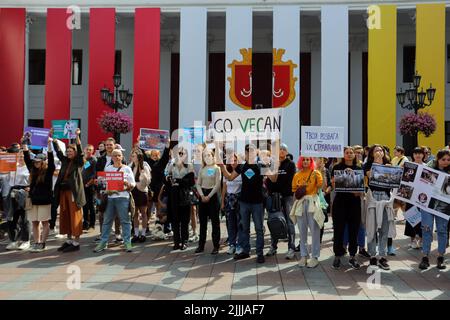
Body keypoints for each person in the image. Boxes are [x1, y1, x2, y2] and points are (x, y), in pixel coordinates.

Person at [219, 144, 266, 264]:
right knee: (244, 228)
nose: (249, 154)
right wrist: (222, 167)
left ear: (256, 153)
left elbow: (273, 178)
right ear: (245, 154)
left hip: (257, 203)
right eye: (247, 152)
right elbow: (229, 178)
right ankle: (245, 251)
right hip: (244, 202)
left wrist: (273, 163)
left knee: (259, 229)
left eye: (251, 152)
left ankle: (260, 253)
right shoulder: (242, 166)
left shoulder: (261, 165)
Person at [94, 149, 136, 253]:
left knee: (125, 221)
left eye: (119, 155)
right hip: (110, 198)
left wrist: (127, 184)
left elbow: (133, 184)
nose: (117, 157)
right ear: (111, 158)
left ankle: (127, 242)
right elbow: (104, 183)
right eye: (115, 156)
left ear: (122, 157)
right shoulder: (108, 168)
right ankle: (103, 242)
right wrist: (102, 185)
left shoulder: (127, 169)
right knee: (107, 221)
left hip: (123, 197)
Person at [53, 128, 86, 253]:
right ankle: (69, 240)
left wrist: (77, 136)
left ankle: (76, 243)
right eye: (67, 151)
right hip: (63, 191)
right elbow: (58, 152)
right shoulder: (65, 161)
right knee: (65, 215)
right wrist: (54, 139)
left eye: (71, 151)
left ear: (75, 152)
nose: (68, 153)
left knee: (75, 216)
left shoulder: (79, 162)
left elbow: (81, 151)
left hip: (74, 193)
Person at [364, 144, 396, 270]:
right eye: (376, 150)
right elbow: (371, 176)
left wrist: (390, 169)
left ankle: (382, 256)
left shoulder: (389, 163)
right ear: (372, 153)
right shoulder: (368, 164)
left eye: (381, 150)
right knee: (372, 227)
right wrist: (377, 163)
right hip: (373, 196)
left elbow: (394, 179)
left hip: (385, 197)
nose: (379, 152)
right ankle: (372, 255)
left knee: (384, 228)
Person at [331, 147, 362, 269]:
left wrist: (352, 175)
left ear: (354, 155)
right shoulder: (337, 167)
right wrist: (344, 174)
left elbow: (358, 192)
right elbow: (333, 184)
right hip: (340, 203)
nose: (349, 155)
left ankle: (353, 256)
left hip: (354, 203)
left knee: (354, 230)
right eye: (347, 153)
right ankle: (337, 256)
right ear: (343, 155)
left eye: (351, 153)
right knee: (338, 230)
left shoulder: (358, 169)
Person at [418, 149, 450, 270]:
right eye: (443, 159)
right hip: (427, 204)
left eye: (448, 160)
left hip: (444, 206)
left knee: (442, 230)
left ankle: (440, 257)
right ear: (438, 159)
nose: (446, 162)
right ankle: (425, 256)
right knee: (427, 229)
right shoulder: (428, 169)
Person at [290, 156, 323, 268]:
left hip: (312, 202)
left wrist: (321, 170)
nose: (305, 161)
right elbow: (295, 192)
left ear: (311, 161)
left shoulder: (315, 173)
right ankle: (304, 255)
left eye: (308, 159)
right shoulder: (296, 175)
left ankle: (314, 257)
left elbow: (320, 186)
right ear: (300, 162)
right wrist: (294, 207)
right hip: (300, 204)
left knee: (315, 230)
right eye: (303, 159)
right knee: (302, 231)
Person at [265, 143, 297, 260]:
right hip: (273, 197)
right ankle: (273, 246)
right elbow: (269, 180)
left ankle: (291, 248)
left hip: (287, 196)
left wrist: (281, 190)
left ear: (287, 152)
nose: (282, 151)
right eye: (280, 149)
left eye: (284, 149)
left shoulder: (291, 164)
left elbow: (290, 180)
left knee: (289, 222)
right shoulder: (272, 163)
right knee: (274, 221)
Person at [23, 137, 55, 252]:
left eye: (38, 161)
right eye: (35, 161)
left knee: (45, 222)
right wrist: (24, 143)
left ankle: (42, 243)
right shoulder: (33, 170)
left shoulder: (49, 170)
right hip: (34, 200)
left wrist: (50, 144)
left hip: (45, 200)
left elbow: (51, 160)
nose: (36, 163)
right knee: (35, 222)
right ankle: (36, 242)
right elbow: (27, 158)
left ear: (43, 162)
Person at [166, 145, 195, 250]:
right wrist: (169, 179)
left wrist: (178, 181)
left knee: (184, 220)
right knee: (175, 219)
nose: (180, 155)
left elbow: (191, 182)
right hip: (174, 194)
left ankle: (184, 241)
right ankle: (176, 241)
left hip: (184, 194)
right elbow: (166, 176)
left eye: (182, 153)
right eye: (178, 153)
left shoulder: (189, 166)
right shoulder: (172, 164)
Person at [96, 137, 123, 244]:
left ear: (114, 145)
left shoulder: (120, 157)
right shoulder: (100, 159)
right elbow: (97, 173)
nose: (108, 146)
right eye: (107, 145)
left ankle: (117, 234)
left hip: (116, 189)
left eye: (110, 144)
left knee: (117, 213)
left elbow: (123, 172)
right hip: (103, 189)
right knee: (102, 212)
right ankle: (104, 234)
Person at [195, 149, 222, 254]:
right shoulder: (202, 169)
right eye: (205, 156)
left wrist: (209, 196)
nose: (207, 157)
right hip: (203, 196)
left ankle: (216, 246)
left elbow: (217, 184)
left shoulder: (217, 168)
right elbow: (198, 183)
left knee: (215, 222)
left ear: (213, 156)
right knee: (202, 222)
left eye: (209, 155)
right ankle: (201, 245)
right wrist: (202, 195)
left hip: (213, 197)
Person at [5, 149, 31, 251]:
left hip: (24, 191)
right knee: (12, 218)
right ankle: (14, 240)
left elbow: (32, 179)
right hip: (12, 191)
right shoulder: (12, 166)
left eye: (23, 157)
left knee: (25, 218)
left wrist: (30, 187)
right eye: (19, 156)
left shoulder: (28, 167)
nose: (21, 158)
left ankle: (26, 240)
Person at [221, 152, 242, 255]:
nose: (233, 162)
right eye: (231, 160)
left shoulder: (241, 172)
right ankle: (231, 244)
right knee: (230, 223)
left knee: (239, 223)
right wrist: (222, 202)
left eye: (235, 160)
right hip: (229, 199)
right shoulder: (226, 173)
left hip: (239, 199)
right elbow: (224, 188)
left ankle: (239, 244)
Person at [404, 147, 425, 249]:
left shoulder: (427, 167)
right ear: (412, 155)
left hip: (423, 197)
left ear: (423, 155)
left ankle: (421, 240)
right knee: (411, 217)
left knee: (423, 219)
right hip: (411, 196)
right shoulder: (409, 166)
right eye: (416, 153)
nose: (418, 155)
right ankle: (412, 240)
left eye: (420, 153)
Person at [130, 149, 151, 243]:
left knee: (143, 213)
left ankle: (143, 234)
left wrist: (144, 176)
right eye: (132, 156)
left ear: (139, 157)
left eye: (134, 156)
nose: (132, 157)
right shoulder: (130, 166)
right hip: (133, 192)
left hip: (142, 192)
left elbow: (148, 181)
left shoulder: (144, 167)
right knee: (135, 214)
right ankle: (135, 234)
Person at [82, 144, 97, 231]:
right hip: (83, 185)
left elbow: (95, 174)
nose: (88, 151)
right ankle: (85, 223)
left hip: (90, 186)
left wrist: (88, 184)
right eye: (87, 149)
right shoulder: (84, 159)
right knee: (84, 205)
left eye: (90, 150)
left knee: (91, 206)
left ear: (93, 151)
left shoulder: (93, 160)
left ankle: (92, 224)